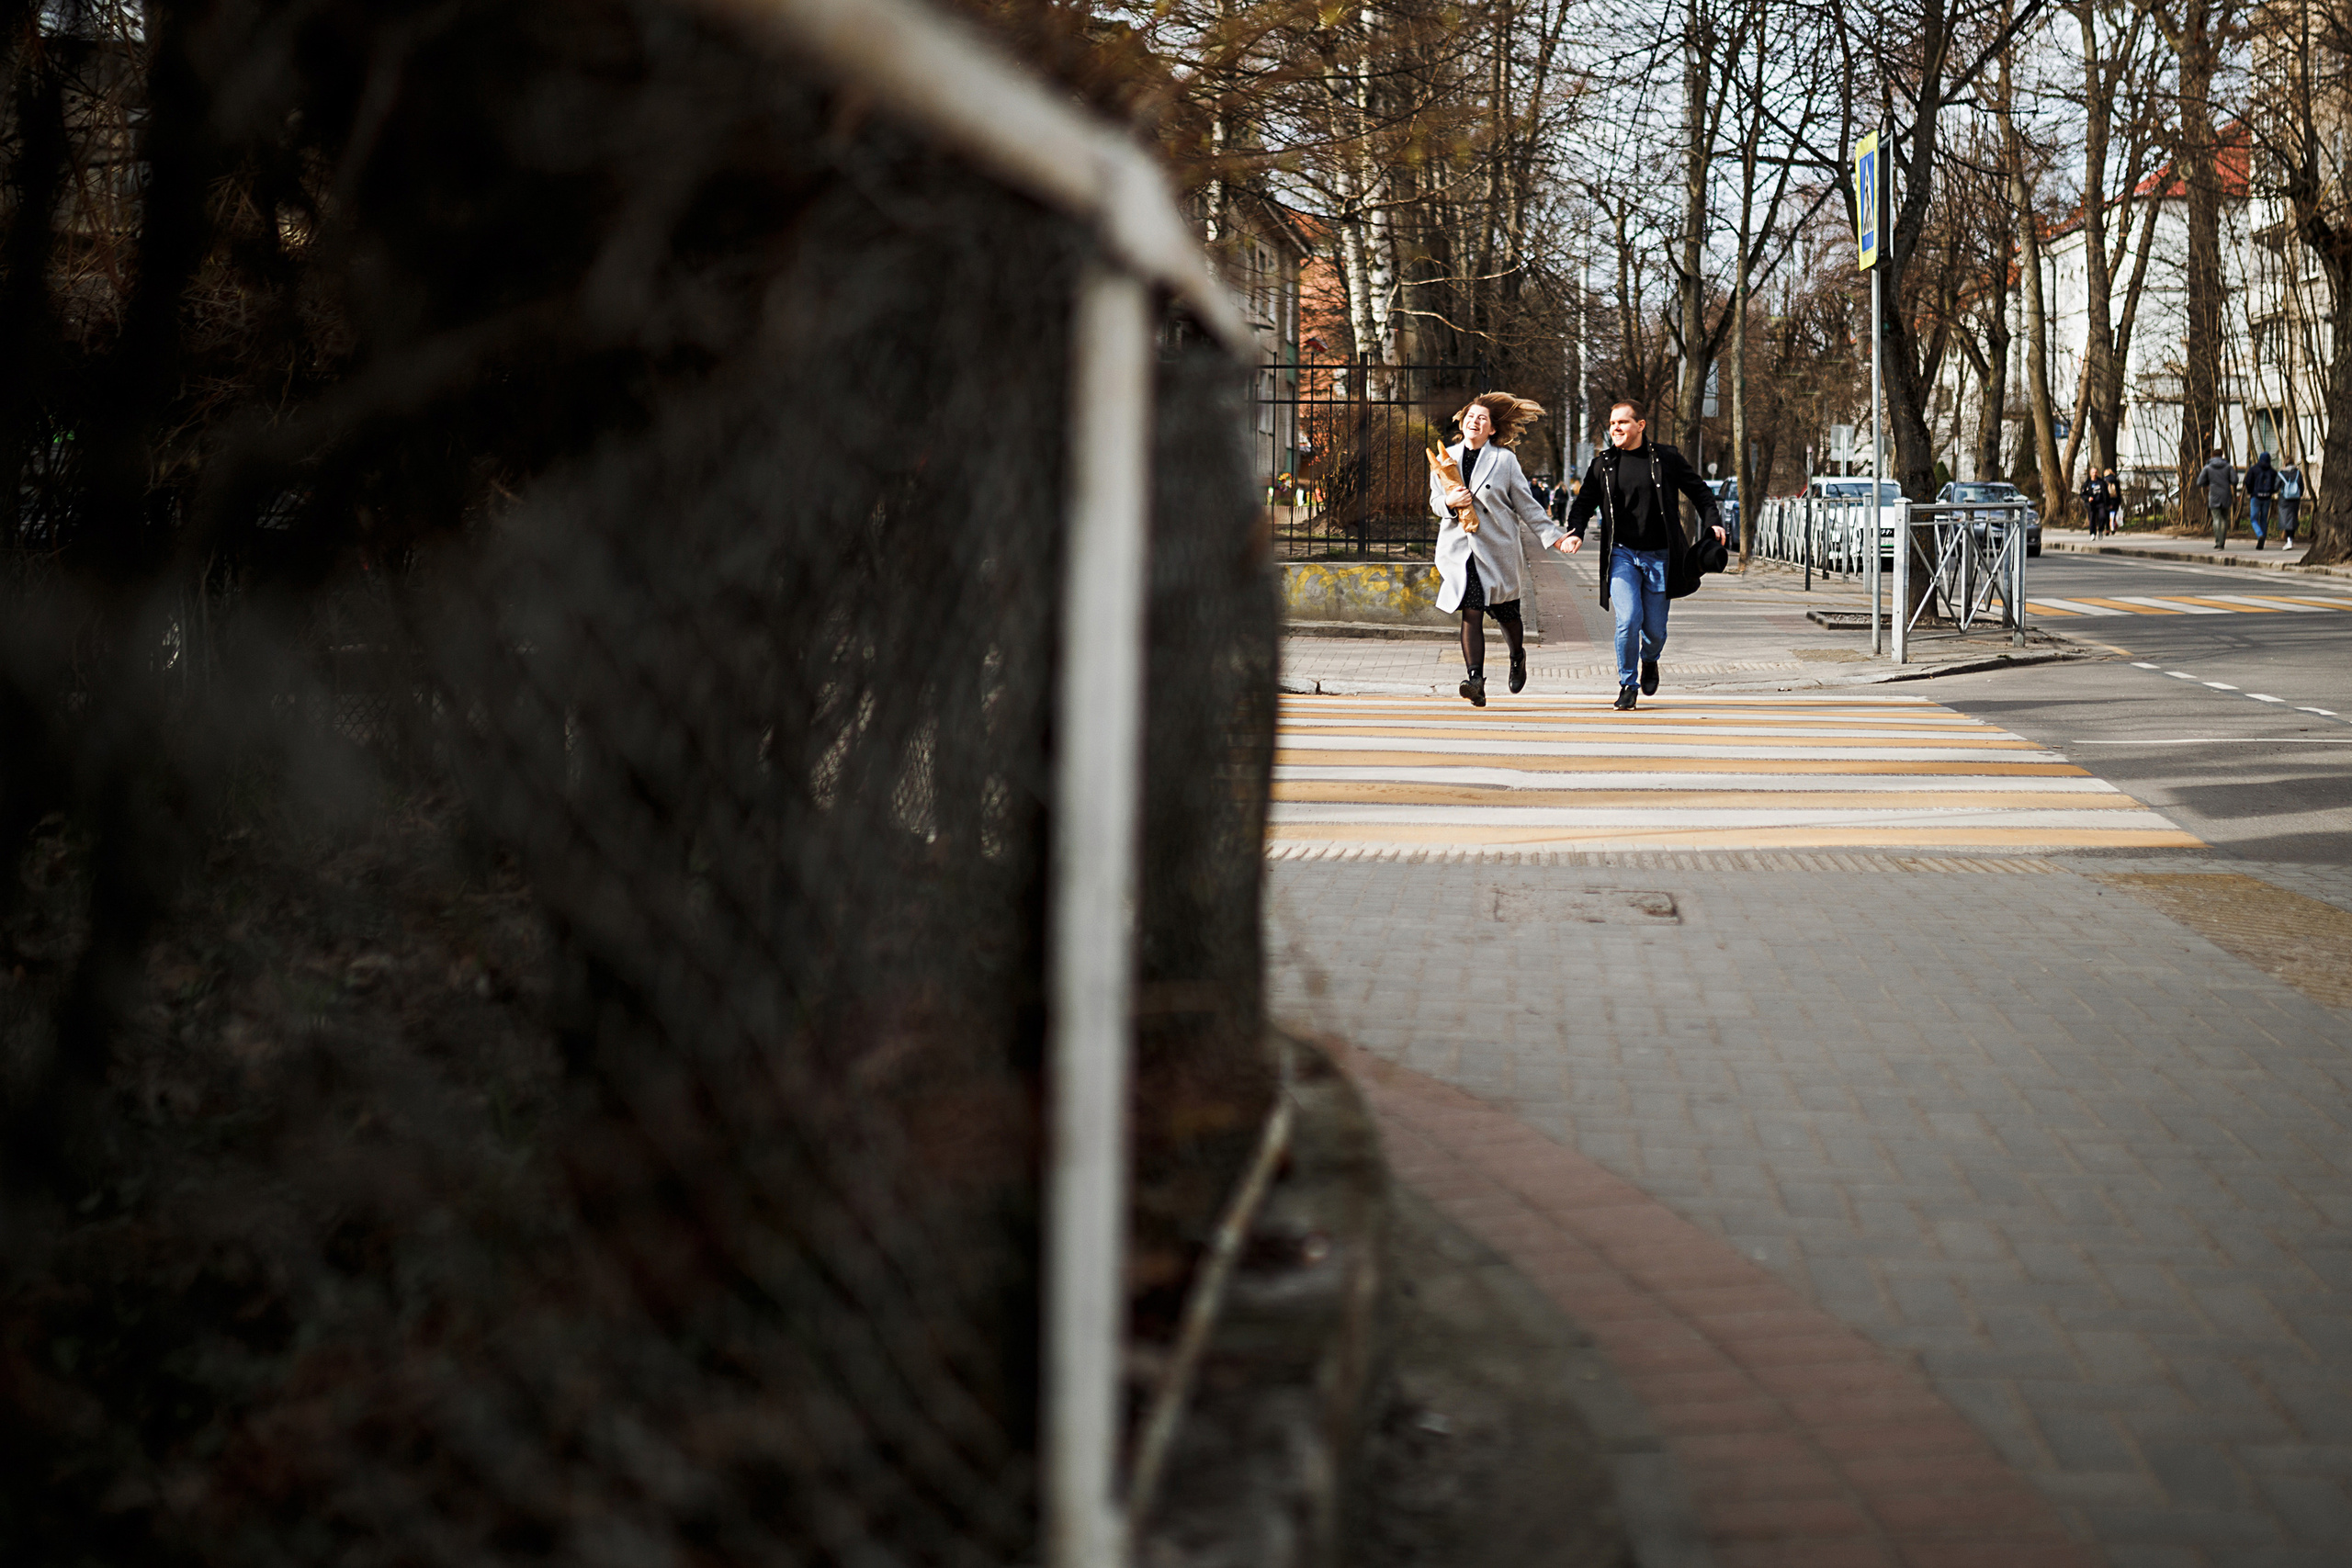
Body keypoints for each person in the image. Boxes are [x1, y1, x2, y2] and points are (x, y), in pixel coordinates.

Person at [1559, 400, 1727, 711]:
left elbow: (1700, 491)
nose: (1616, 429)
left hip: (1660, 556)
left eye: (1622, 422)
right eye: (1612, 424)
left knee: (1654, 631)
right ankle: (1627, 684)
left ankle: (1650, 660)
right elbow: (1583, 503)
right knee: (1628, 618)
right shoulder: (1604, 464)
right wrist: (1576, 530)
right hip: (1622, 555)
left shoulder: (1666, 458)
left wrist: (1713, 520)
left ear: (1640, 425)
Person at [1429, 392, 1564, 707]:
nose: (1474, 421)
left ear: (1491, 429)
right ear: (1462, 423)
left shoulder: (1504, 460)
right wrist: (1450, 503)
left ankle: (1518, 655)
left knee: (1507, 616)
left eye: (1482, 418)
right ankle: (1475, 680)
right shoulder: (1444, 456)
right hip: (1462, 549)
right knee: (1471, 610)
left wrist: (1553, 536)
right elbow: (1436, 502)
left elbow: (1526, 505)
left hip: (1497, 547)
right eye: (1470, 416)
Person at [2200, 448, 2236, 548]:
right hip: (2225, 494)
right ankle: (2222, 542)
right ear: (2222, 455)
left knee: (2216, 518)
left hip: (2214, 495)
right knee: (2224, 519)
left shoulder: (2208, 467)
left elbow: (2200, 481)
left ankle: (2218, 542)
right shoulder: (2228, 467)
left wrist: (2209, 483)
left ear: (2212, 456)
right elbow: (2235, 480)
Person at [2246, 451, 2280, 549]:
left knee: (2253, 518)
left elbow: (2248, 482)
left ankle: (2259, 534)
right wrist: (2271, 492)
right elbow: (2276, 485)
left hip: (2255, 497)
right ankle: (2263, 539)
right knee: (2264, 519)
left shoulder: (2254, 470)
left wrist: (2251, 492)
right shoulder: (2273, 472)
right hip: (2267, 498)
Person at [2279, 458, 2304, 546]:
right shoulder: (2298, 473)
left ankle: (2289, 539)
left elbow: (2275, 486)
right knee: (2293, 518)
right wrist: (2299, 494)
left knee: (2286, 519)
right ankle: (2291, 537)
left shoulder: (2282, 474)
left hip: (2284, 500)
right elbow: (2301, 486)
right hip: (2295, 499)